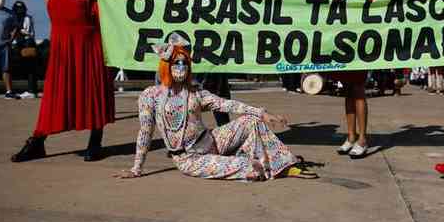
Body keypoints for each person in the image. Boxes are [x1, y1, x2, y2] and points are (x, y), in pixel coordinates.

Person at [115, 34, 315, 180]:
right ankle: (258, 159)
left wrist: (263, 113)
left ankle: (285, 164)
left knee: (251, 121)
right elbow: (145, 132)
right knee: (252, 168)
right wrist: (136, 169)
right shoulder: (150, 96)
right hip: (189, 159)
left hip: (213, 141)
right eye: (177, 63)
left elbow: (226, 104)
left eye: (185, 64)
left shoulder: (195, 93)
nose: (182, 68)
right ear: (166, 66)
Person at [10, 0, 115, 163]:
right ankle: (37, 141)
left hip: (93, 49)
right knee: (55, 98)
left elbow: (124, 6)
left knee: (95, 94)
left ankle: (95, 141)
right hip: (64, 51)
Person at [297, 0, 380, 158]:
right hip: (342, 51)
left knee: (360, 93)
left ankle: (363, 138)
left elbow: (388, 4)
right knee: (348, 93)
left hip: (360, 50)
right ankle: (351, 136)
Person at [161, 0, 234, 125]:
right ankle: (181, 141)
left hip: (215, 57)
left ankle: (227, 138)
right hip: (192, 56)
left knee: (221, 102)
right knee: (185, 101)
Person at [11, 0, 39, 98]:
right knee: (29, 68)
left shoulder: (26, 18)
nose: (19, 10)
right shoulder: (21, 18)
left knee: (30, 68)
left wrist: (17, 31)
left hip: (27, 44)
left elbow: (26, 32)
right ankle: (32, 91)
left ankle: (31, 91)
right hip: (25, 43)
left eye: (20, 8)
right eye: (17, 8)